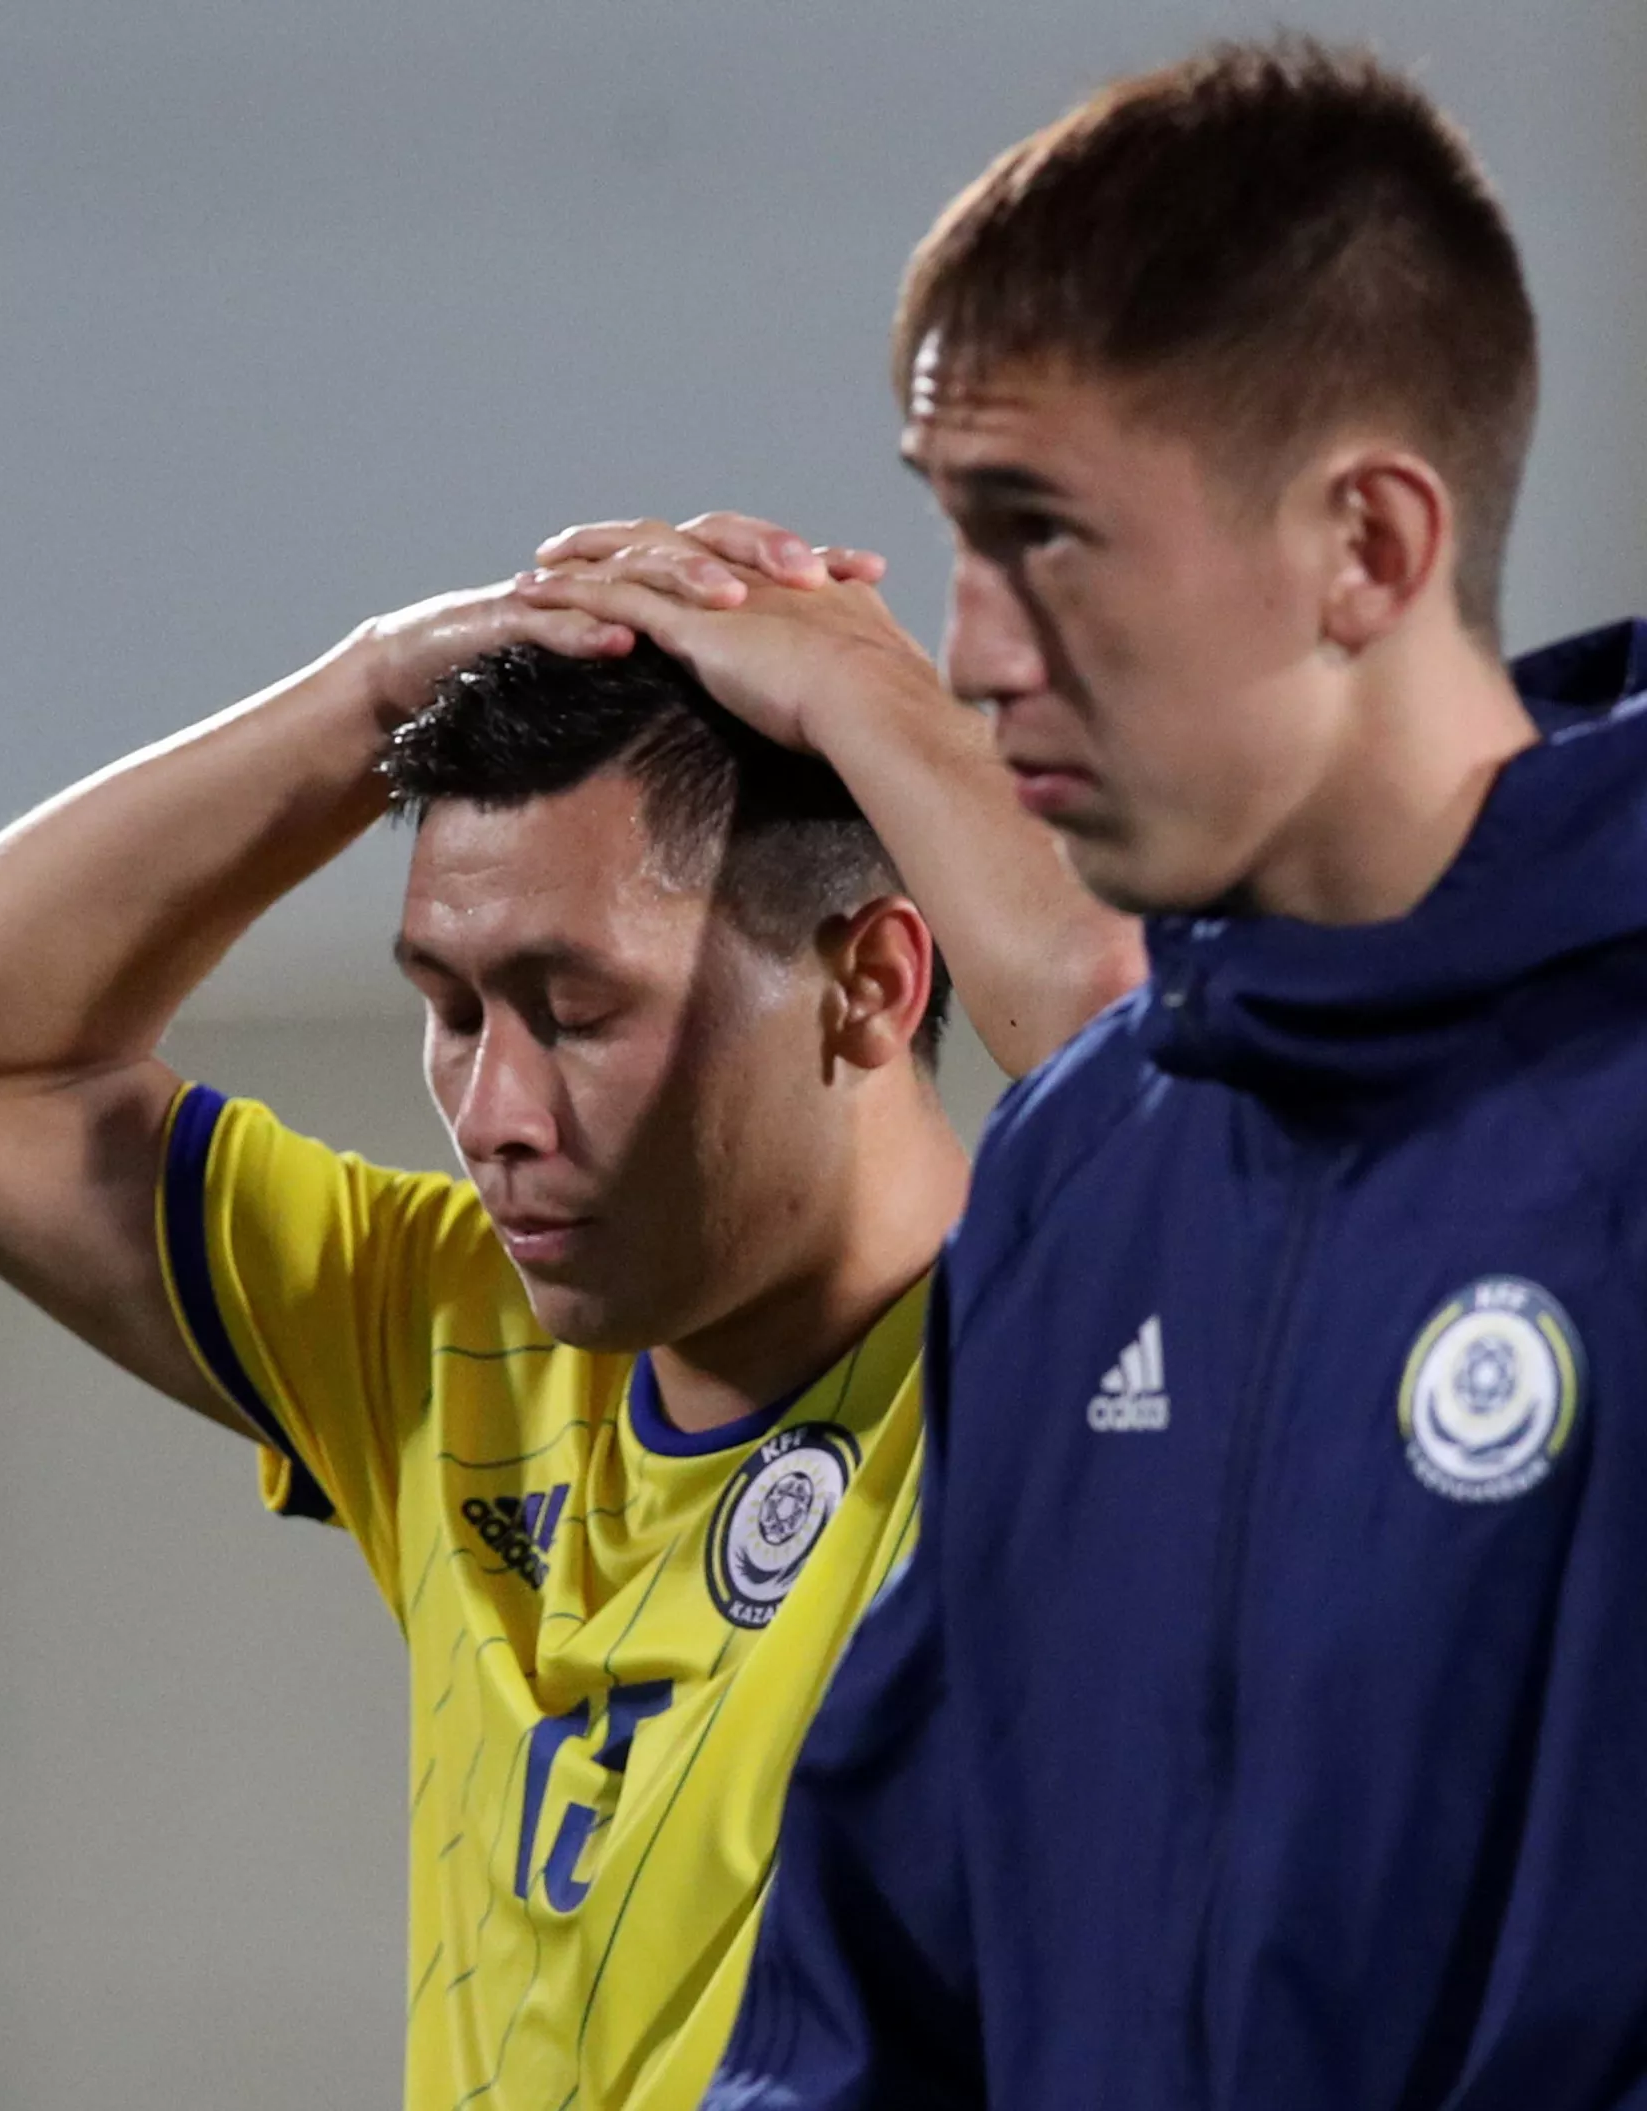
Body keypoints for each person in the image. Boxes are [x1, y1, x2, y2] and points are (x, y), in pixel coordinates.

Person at [511, 38, 1647, 2111]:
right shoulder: (1078, 1174)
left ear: (1368, 546)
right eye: (954, 530)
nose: (972, 650)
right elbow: (879, 1993)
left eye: (1042, 534)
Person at [0, 557, 1138, 2108]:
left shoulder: (1075, 1376)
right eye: (451, 1008)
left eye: (572, 1010)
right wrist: (365, 690)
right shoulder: (440, 1327)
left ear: (873, 984)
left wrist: (870, 700)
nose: (494, 1112)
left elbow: (1154, 1053)